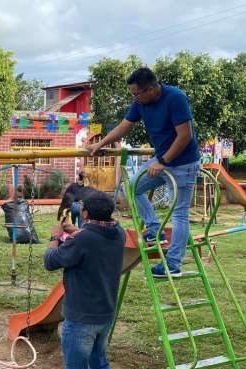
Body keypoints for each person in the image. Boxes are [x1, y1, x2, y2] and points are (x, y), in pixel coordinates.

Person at [86, 67, 200, 277]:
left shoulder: (175, 98)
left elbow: (185, 136)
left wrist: (164, 161)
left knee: (179, 214)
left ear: (151, 89)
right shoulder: (140, 103)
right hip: (162, 159)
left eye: (136, 93)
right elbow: (123, 127)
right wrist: (99, 144)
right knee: (134, 187)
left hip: (183, 163)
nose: (134, 98)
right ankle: (155, 229)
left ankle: (173, 265)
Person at [44, 191, 126, 369]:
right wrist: (74, 231)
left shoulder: (83, 240)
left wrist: (55, 236)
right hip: (105, 315)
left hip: (80, 320)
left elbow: (50, 261)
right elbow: (92, 238)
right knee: (100, 366)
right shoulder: (118, 232)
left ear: (86, 213)